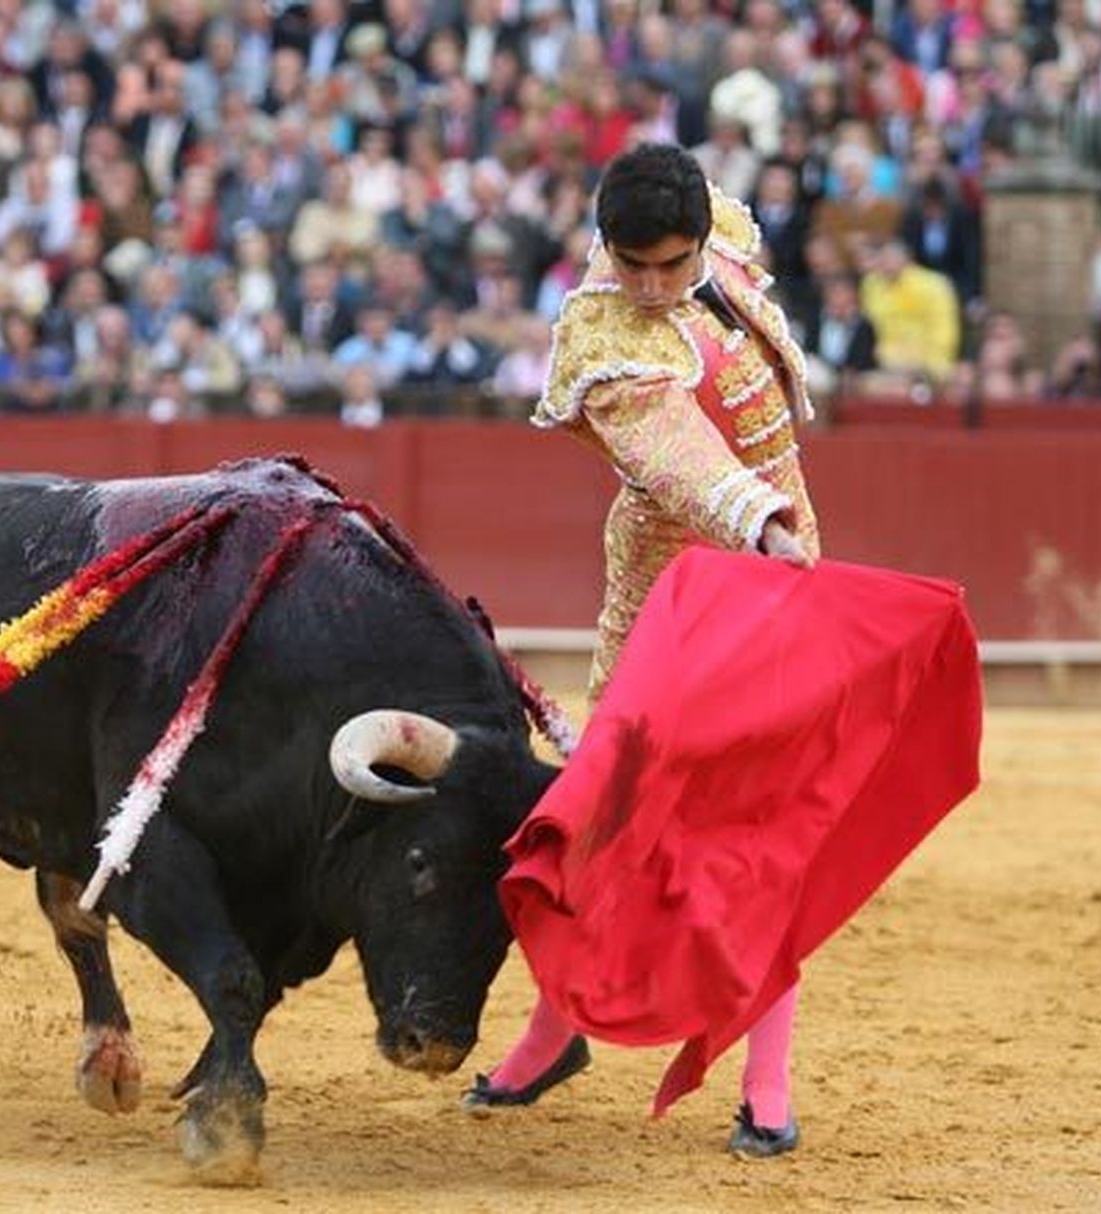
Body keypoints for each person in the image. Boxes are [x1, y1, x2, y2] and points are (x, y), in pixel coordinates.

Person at [462, 144, 818, 1158]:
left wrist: (780, 542)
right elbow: (679, 454)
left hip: (775, 584)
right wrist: (762, 522)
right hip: (676, 595)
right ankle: (552, 1031)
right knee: (602, 824)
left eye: (672, 264)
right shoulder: (602, 332)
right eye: (635, 264)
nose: (654, 286)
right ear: (605, 249)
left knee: (761, 832)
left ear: (702, 236)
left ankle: (767, 1077)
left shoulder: (727, 246)